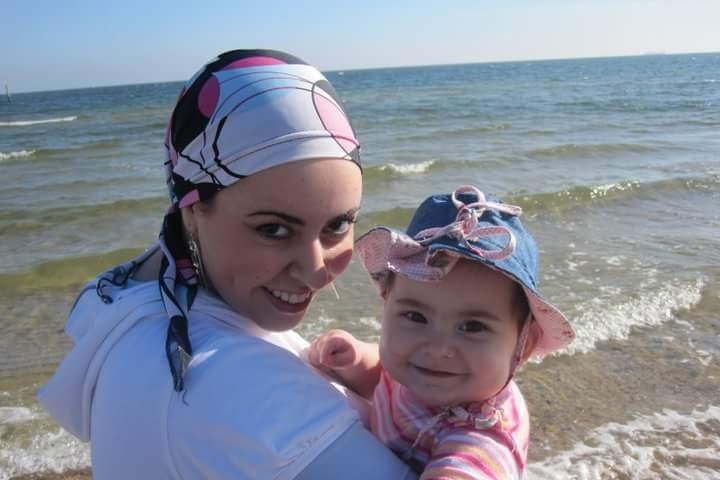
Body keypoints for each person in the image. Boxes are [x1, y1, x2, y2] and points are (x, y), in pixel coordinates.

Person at [38, 49, 417, 479]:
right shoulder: (232, 377)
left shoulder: (136, 304)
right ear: (191, 209)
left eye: (338, 225)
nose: (315, 270)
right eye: (273, 229)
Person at [308, 185, 576, 479]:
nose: (437, 348)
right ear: (387, 304)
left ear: (522, 348)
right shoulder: (420, 369)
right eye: (415, 316)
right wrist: (356, 359)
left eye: (472, 326)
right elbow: (385, 374)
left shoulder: (484, 436)